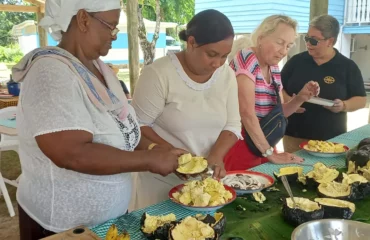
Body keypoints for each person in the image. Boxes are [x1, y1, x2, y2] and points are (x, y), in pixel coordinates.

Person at [11, 0, 185, 239]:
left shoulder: (99, 69)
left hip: (109, 220)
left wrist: (160, 150)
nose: (114, 35)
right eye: (110, 26)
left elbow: (124, 130)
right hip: (62, 228)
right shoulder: (50, 73)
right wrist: (148, 159)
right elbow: (71, 153)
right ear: (83, 19)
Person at [130, 9, 241, 210]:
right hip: (160, 184)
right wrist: (173, 154)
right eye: (212, 54)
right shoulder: (158, 74)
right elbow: (137, 126)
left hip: (205, 188)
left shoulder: (227, 75)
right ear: (191, 43)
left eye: (224, 56)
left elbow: (233, 125)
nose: (217, 63)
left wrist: (216, 156)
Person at [224, 15, 320, 171]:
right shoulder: (246, 58)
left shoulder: (273, 66)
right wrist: (270, 153)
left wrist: (300, 98)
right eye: (279, 43)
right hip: (240, 142)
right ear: (261, 38)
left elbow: (277, 113)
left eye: (288, 46)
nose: (283, 51)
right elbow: (247, 113)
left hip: (263, 142)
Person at [282, 15, 367, 153]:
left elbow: (361, 100)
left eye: (313, 40)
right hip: (294, 135)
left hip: (331, 139)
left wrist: (343, 105)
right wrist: (290, 101)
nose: (308, 43)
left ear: (330, 41)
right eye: (306, 38)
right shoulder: (296, 62)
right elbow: (277, 88)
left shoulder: (347, 67)